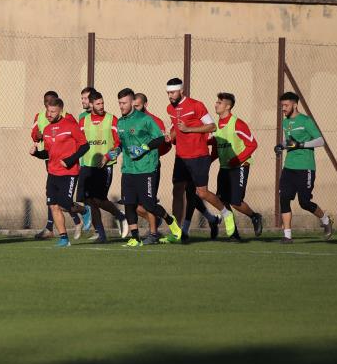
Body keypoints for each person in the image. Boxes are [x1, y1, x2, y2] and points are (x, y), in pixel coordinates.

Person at [165, 77, 234, 240]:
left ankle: (226, 213)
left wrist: (188, 129)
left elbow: (212, 126)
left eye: (173, 92)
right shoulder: (170, 108)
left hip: (198, 156)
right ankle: (177, 231)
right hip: (181, 156)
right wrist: (171, 136)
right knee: (177, 191)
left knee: (201, 193)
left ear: (182, 91)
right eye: (168, 93)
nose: (170, 96)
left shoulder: (196, 105)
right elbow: (176, 129)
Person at [115, 88, 182, 247]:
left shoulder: (145, 119)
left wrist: (143, 148)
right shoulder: (120, 122)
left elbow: (159, 139)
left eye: (124, 103)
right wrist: (114, 152)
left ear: (132, 102)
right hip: (128, 169)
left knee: (149, 204)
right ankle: (135, 238)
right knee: (129, 203)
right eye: (119, 103)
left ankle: (170, 220)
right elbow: (121, 144)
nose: (121, 106)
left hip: (146, 169)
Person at [29, 97, 90, 247]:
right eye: (48, 111)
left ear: (60, 111)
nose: (49, 114)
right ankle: (64, 238)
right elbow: (48, 153)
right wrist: (36, 153)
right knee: (53, 205)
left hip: (69, 172)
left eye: (53, 111)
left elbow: (85, 146)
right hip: (53, 173)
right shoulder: (48, 129)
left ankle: (84, 210)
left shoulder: (71, 125)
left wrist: (70, 160)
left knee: (64, 203)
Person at [275, 91, 333, 243]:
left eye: (286, 105)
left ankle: (326, 220)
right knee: (284, 198)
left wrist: (301, 145)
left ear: (295, 104)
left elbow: (320, 141)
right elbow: (288, 142)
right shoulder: (286, 122)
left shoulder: (306, 120)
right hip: (289, 167)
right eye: (282, 106)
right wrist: (281, 146)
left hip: (305, 167)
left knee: (304, 202)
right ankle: (287, 236)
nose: (284, 108)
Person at [210, 92, 263, 240]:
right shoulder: (216, 125)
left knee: (236, 202)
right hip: (224, 168)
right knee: (222, 200)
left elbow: (252, 144)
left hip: (239, 166)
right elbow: (217, 147)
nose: (216, 104)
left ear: (228, 106)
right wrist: (208, 160)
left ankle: (255, 216)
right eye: (217, 102)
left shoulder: (238, 123)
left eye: (219, 102)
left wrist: (237, 159)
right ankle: (234, 233)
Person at [78, 90, 128, 243]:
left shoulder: (111, 119)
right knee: (88, 200)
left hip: (104, 166)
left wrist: (107, 157)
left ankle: (120, 216)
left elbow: (119, 143)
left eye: (102, 103)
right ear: (91, 104)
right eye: (98, 104)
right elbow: (78, 142)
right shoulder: (83, 121)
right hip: (87, 165)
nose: (101, 106)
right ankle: (101, 234)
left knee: (98, 199)